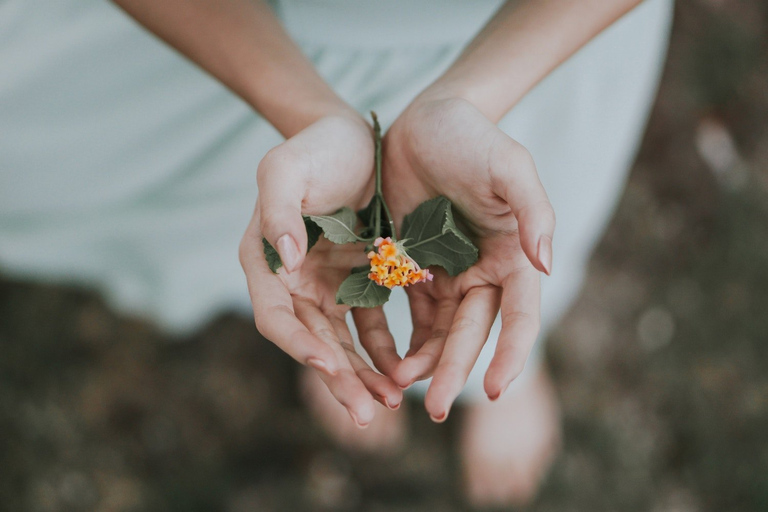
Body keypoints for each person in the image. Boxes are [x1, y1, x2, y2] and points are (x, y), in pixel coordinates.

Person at [0, 0, 673, 506]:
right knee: (281, 231)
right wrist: (301, 109)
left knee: (507, 234)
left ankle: (503, 372)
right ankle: (348, 350)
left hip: (531, 45)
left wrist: (469, 96)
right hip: (254, 41)